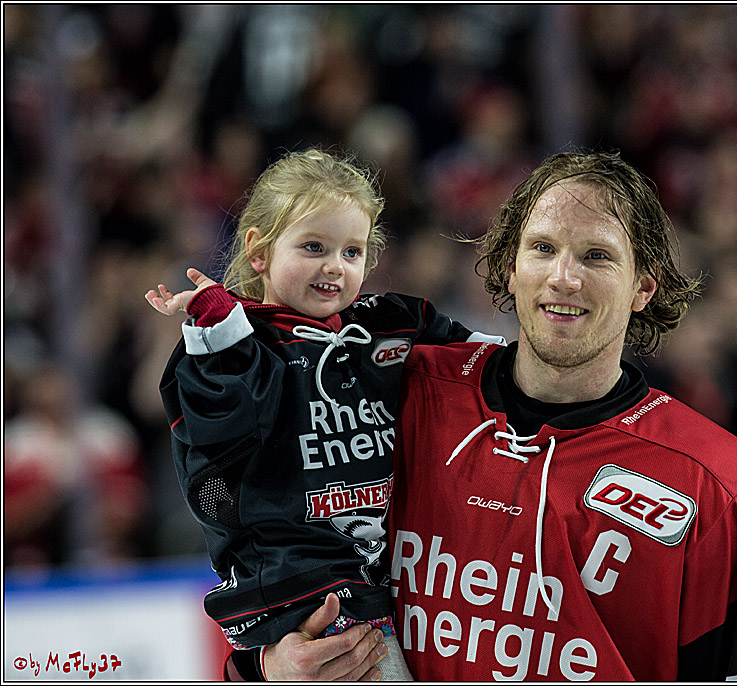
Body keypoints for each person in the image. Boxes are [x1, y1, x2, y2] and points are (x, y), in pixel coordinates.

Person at [254, 150, 737, 681]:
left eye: (597, 255)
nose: (565, 276)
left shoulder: (724, 488)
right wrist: (268, 669)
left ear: (643, 288)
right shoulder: (394, 391)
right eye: (543, 248)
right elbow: (264, 541)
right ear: (509, 267)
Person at [148, 147, 502, 680]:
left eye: (352, 251)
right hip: (298, 594)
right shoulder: (232, 348)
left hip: (395, 581)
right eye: (313, 246)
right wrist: (223, 335)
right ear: (259, 252)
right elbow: (225, 430)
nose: (335, 265)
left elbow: (492, 369)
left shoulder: (390, 323)